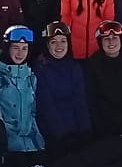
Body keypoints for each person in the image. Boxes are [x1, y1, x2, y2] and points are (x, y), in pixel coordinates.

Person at [33, 23, 93, 156]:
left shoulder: (75, 67)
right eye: (53, 42)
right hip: (56, 136)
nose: (59, 46)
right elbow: (46, 106)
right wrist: (60, 136)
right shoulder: (40, 70)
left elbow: (80, 101)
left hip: (77, 133)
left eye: (63, 41)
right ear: (47, 45)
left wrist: (85, 131)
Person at [0, 25, 44, 167]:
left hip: (31, 145)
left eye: (24, 48)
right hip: (9, 147)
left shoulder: (29, 75)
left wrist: (39, 143)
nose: (20, 53)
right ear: (7, 47)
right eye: (16, 47)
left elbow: (33, 113)